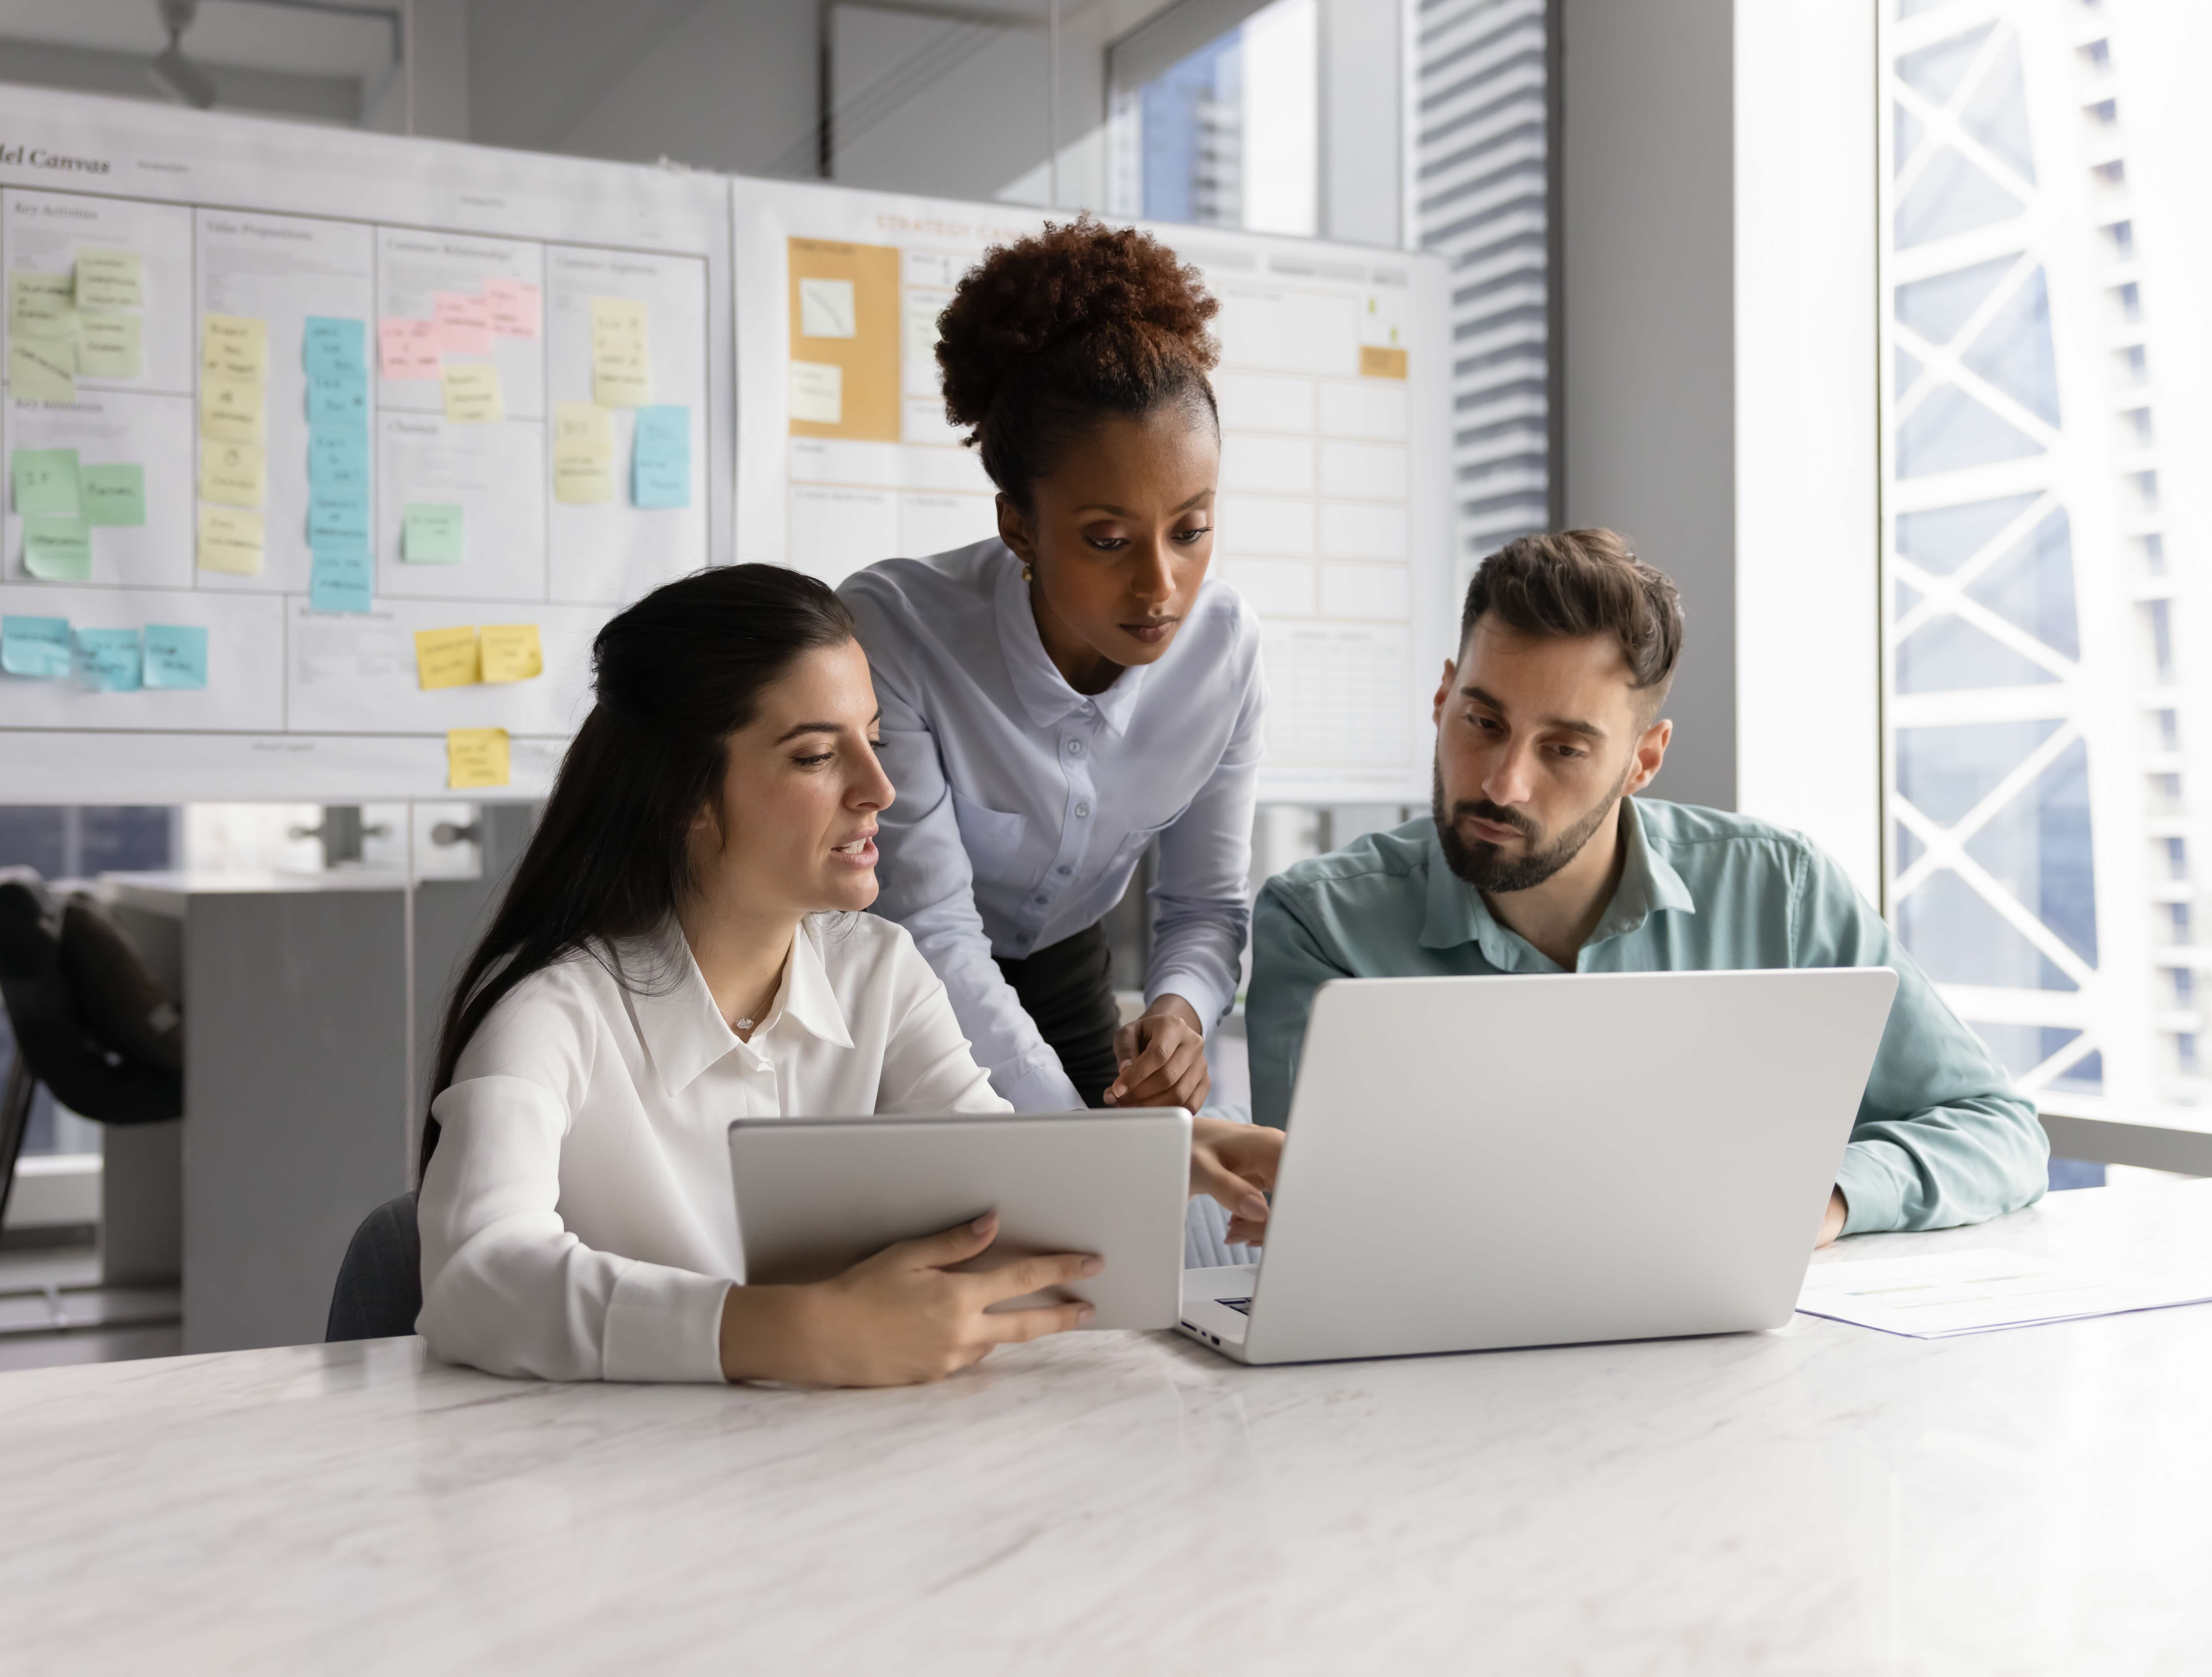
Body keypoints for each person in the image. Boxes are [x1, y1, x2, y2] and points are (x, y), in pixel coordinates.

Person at [415, 564, 1281, 1385]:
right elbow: (477, 1277)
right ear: (687, 795)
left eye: (874, 741)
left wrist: (1169, 1158)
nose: (880, 789)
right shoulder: (551, 1014)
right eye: (814, 757)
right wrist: (794, 1331)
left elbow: (997, 1183)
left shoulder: (879, 972)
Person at [1245, 529, 2047, 1244]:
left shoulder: (1782, 890)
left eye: (1564, 749)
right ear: (1442, 698)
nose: (1502, 783)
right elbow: (1317, 1224)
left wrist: (1828, 1198)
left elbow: (1998, 1130)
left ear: (1644, 760)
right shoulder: (1321, 924)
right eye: (1482, 723)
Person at [840, 216, 1264, 1120]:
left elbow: (1203, 904)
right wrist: (1084, 1148)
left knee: (1145, 1231)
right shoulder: (898, 631)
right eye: (1108, 539)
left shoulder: (1226, 650)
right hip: (896, 980)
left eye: (1191, 530)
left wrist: (1180, 1015)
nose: (1163, 586)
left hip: (1067, 967)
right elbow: (933, 931)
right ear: (1020, 526)